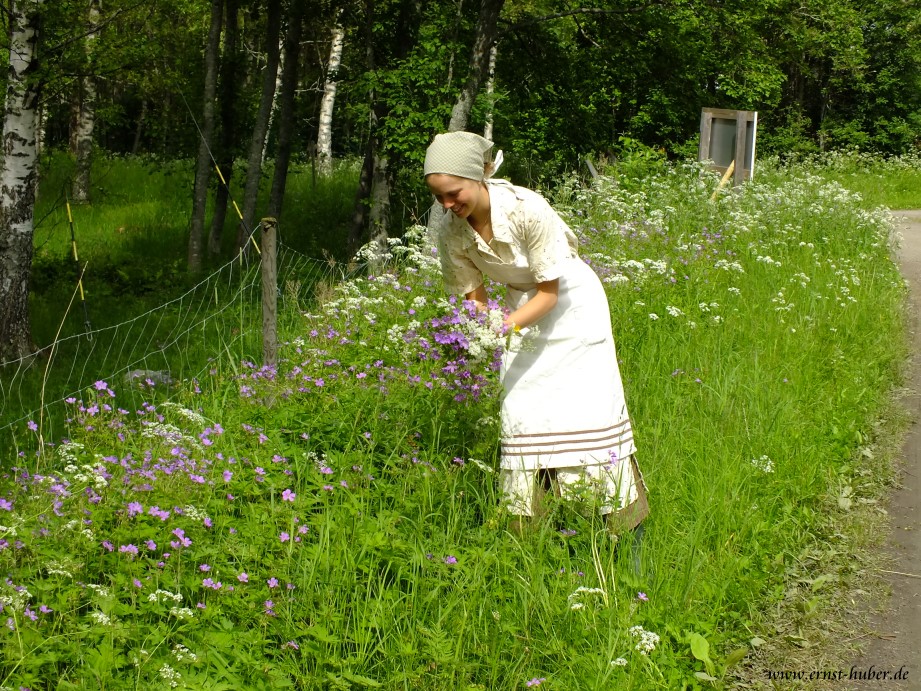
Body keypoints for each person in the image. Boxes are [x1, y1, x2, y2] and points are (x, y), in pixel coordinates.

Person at [424, 131, 649, 536]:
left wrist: (499, 329)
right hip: (518, 313)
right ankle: (530, 532)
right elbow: (473, 296)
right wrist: (478, 329)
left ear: (480, 176)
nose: (447, 205)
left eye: (453, 193)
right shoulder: (451, 230)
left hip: (572, 308)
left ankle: (620, 531)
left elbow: (549, 293)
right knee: (523, 413)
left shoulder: (528, 209)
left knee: (586, 411)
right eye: (439, 197)